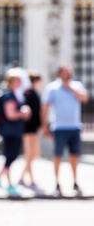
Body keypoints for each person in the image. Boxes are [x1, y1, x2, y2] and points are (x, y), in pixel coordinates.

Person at [41, 64, 89, 197]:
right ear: (59, 74)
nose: (68, 74)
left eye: (69, 71)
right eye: (65, 72)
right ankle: (57, 183)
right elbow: (45, 107)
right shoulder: (52, 88)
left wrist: (70, 88)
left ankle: (75, 181)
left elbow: (84, 98)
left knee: (74, 156)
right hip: (59, 127)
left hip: (75, 127)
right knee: (58, 156)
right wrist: (44, 126)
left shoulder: (76, 86)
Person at [0, 68, 31, 197]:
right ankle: (9, 184)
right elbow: (10, 114)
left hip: (14, 130)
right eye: (18, 80)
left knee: (11, 157)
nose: (20, 82)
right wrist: (22, 113)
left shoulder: (15, 95)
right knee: (10, 157)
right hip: (10, 131)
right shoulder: (9, 95)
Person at [18, 71, 43, 193]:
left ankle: (22, 178)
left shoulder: (33, 93)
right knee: (29, 155)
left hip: (33, 128)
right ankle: (30, 180)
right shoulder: (28, 93)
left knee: (34, 154)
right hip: (28, 129)